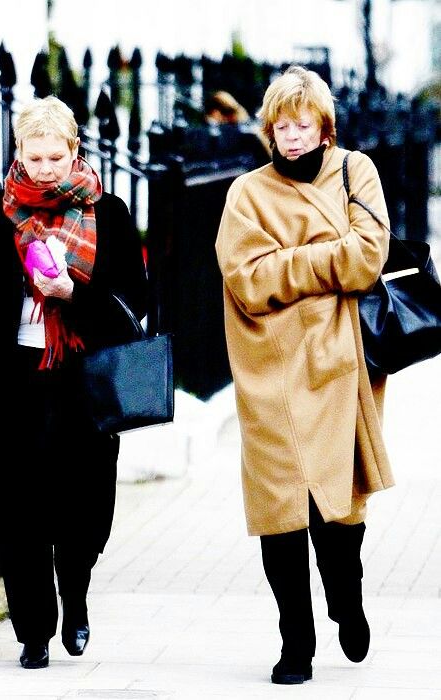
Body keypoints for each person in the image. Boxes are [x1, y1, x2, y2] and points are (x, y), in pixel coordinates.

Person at [0, 95, 148, 669]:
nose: (44, 170)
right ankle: (33, 630)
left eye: (55, 158)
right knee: (17, 508)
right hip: (13, 377)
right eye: (33, 159)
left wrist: (72, 297)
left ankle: (76, 599)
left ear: (74, 151)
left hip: (82, 379)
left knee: (80, 507)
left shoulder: (107, 216)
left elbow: (135, 303)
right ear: (18, 153)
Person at [215, 66, 394, 685]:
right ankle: (297, 642)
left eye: (302, 124)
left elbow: (368, 256)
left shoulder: (355, 171)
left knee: (339, 509)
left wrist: (290, 266)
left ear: (324, 126)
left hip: (340, 365)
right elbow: (246, 278)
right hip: (268, 369)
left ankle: (347, 597)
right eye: (281, 125)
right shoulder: (246, 193)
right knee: (280, 510)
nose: (291, 137)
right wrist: (326, 265)